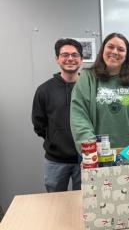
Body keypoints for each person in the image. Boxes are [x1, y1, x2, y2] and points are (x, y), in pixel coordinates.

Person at [70, 32, 129, 154]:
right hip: (97, 156)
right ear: (103, 49)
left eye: (121, 49)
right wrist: (90, 148)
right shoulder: (88, 78)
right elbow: (79, 116)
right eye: (110, 47)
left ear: (126, 55)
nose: (115, 52)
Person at [32, 38, 83, 192]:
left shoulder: (88, 87)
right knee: (54, 203)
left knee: (86, 204)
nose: (70, 58)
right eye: (65, 55)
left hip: (86, 159)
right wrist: (55, 139)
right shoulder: (44, 90)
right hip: (55, 160)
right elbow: (39, 124)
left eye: (75, 55)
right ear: (57, 59)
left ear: (81, 59)